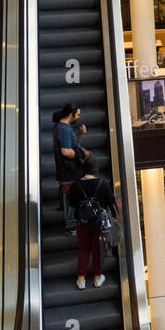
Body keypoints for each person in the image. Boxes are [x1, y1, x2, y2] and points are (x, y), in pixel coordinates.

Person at [68, 156, 115, 289]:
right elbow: (110, 201)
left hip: (82, 222)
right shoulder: (103, 183)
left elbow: (72, 203)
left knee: (83, 248)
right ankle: (97, 277)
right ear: (96, 169)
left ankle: (81, 279)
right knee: (97, 249)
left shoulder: (76, 185)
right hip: (99, 223)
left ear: (84, 169)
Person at [52, 102, 88, 232]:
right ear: (71, 115)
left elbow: (71, 143)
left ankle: (64, 211)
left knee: (69, 194)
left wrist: (79, 133)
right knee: (72, 195)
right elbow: (66, 151)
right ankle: (70, 225)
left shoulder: (64, 127)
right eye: (77, 115)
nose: (78, 117)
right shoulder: (63, 129)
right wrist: (81, 154)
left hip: (68, 170)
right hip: (69, 170)